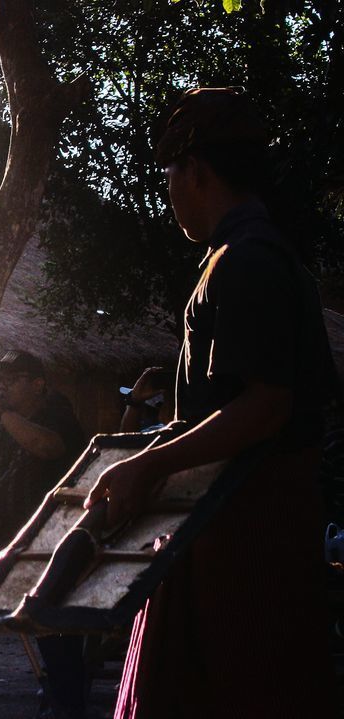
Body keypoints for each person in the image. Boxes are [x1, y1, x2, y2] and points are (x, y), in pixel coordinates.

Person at [86, 87, 337, 717]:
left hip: (251, 535)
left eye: (170, 177)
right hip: (217, 526)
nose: (169, 193)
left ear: (195, 170)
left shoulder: (249, 260)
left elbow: (265, 407)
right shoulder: (239, 256)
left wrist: (150, 464)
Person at [0, 350, 88, 717]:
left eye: (12, 379)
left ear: (38, 384)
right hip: (3, 545)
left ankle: (66, 699)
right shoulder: (1, 430)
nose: (1, 385)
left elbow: (48, 447)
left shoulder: (58, 414)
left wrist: (0, 412)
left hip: (52, 545)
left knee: (50, 620)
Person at [117, 367, 173, 433]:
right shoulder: (155, 431)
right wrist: (134, 401)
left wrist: (133, 401)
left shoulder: (159, 433)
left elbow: (127, 439)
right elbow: (127, 438)